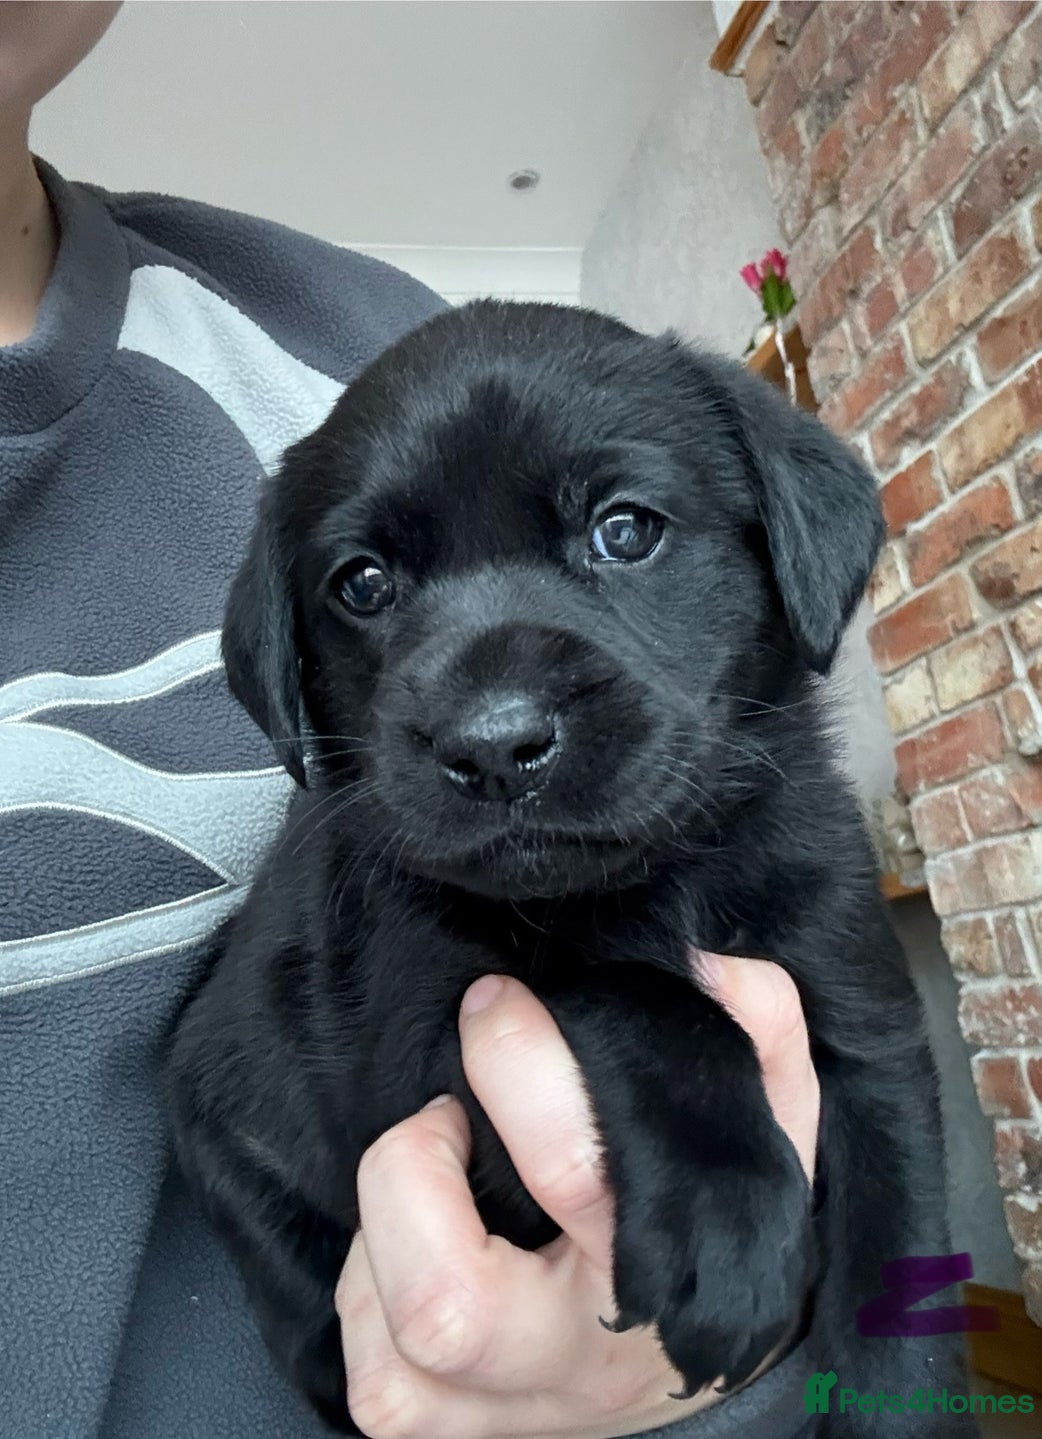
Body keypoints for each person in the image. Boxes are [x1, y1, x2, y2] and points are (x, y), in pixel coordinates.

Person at [0, 5, 822, 1437]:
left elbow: (840, 1164)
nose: (494, 711)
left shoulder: (375, 357)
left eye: (623, 532)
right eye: (370, 589)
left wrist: (735, 1381)